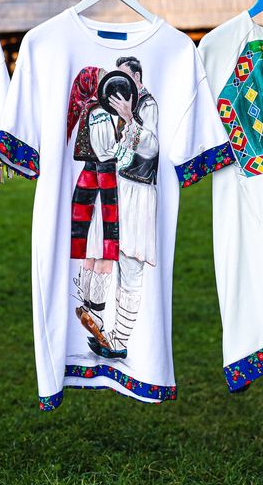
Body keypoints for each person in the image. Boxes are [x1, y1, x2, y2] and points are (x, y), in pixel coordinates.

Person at [97, 56, 159, 359]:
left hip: (139, 191)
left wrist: (129, 118)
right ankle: (116, 336)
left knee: (131, 263)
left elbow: (151, 146)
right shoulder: (125, 105)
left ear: (137, 77)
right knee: (121, 258)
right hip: (123, 188)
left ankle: (120, 341)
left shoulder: (147, 105)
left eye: (124, 77)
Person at [66, 66, 120, 354]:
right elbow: (107, 151)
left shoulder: (89, 107)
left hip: (89, 182)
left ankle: (87, 305)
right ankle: (96, 313)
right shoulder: (99, 111)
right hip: (103, 183)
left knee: (91, 248)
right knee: (105, 249)